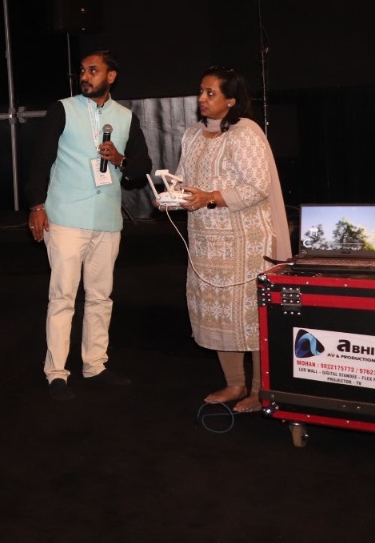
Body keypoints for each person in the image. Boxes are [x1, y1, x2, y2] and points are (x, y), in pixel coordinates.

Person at [26, 50, 153, 401]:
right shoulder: (62, 109)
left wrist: (121, 159)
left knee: (100, 296)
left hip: (107, 219)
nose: (85, 76)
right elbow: (40, 161)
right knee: (63, 297)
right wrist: (37, 205)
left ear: (111, 76)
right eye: (82, 70)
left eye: (93, 70)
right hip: (66, 217)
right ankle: (56, 372)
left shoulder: (125, 117)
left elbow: (142, 166)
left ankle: (95, 364)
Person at [171, 66, 290, 414]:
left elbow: (257, 187)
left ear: (231, 100)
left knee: (249, 315)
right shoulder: (192, 135)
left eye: (211, 93)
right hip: (205, 242)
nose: (201, 98)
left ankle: (259, 390)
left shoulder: (245, 132)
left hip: (246, 242)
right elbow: (182, 179)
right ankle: (234, 383)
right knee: (220, 314)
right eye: (201, 91)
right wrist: (170, 195)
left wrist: (210, 197)